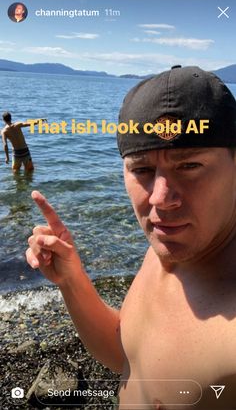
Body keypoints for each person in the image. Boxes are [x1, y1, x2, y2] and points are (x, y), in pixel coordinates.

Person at [26, 66, 236, 410]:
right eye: (142, 170)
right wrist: (71, 279)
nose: (160, 198)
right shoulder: (167, 249)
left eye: (189, 166)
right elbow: (126, 355)